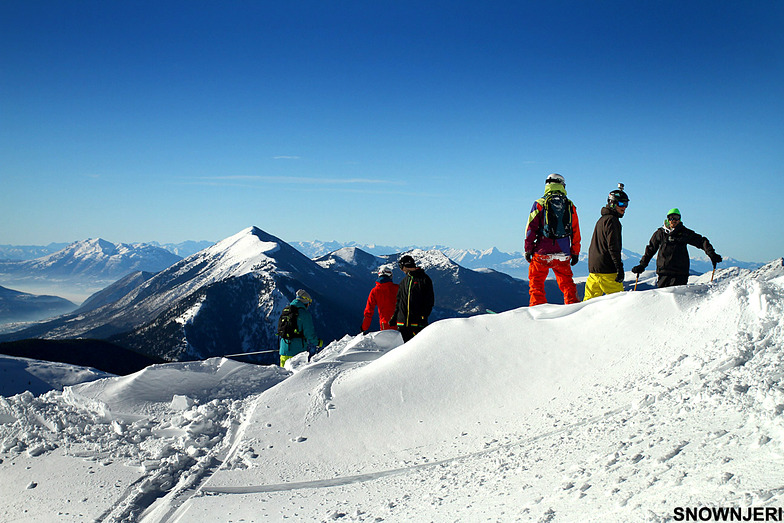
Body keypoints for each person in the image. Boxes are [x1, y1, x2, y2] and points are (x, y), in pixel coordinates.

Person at [524, 173, 582, 306]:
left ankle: (537, 309)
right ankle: (572, 307)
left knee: (536, 283)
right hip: (563, 252)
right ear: (562, 185)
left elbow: (530, 229)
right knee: (567, 283)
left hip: (542, 252)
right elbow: (575, 230)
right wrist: (575, 252)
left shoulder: (539, 204)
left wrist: (528, 249)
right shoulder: (569, 205)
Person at [631, 208, 722, 288]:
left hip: (680, 273)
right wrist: (642, 265)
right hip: (664, 273)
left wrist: (711, 253)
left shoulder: (684, 232)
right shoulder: (660, 233)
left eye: (676, 218)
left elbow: (701, 241)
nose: (673, 220)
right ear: (667, 219)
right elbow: (650, 249)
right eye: (671, 217)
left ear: (680, 219)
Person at [583, 183, 629, 301]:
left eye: (626, 204)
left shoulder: (601, 220)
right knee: (620, 302)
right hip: (607, 270)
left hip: (594, 270)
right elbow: (613, 246)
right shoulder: (612, 221)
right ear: (612, 204)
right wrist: (619, 267)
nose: (624, 207)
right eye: (621, 203)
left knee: (587, 304)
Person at [391, 254, 434, 342]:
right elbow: (399, 301)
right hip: (402, 324)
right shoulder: (404, 281)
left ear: (405, 266)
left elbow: (429, 301)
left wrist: (423, 316)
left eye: (401, 267)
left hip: (417, 323)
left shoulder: (424, 280)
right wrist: (395, 317)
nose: (401, 270)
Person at [278, 289, 323, 367]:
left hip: (283, 350)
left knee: (284, 376)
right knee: (297, 377)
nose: (309, 305)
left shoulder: (286, 310)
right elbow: (309, 333)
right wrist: (318, 342)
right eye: (309, 303)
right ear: (306, 302)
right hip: (297, 353)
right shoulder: (304, 314)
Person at [361, 266, 399, 333]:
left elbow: (369, 311)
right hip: (401, 323)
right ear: (390, 276)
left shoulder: (374, 291)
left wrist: (364, 327)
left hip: (385, 324)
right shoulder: (398, 288)